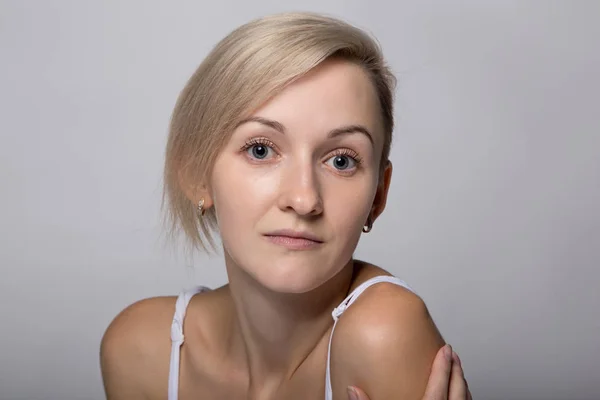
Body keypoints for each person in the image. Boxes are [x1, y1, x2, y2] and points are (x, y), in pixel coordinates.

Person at [100, 12, 472, 400]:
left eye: (341, 160)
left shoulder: (383, 332)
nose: (304, 199)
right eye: (261, 150)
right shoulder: (142, 350)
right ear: (197, 174)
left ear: (378, 195)